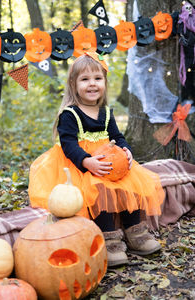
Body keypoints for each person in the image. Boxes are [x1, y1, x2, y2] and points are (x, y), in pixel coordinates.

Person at [29, 52, 165, 267]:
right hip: (81, 166)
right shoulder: (70, 114)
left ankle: (136, 233)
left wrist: (126, 150)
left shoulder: (106, 112)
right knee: (98, 190)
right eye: (85, 79)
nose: (92, 84)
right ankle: (109, 239)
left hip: (110, 164)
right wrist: (86, 161)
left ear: (104, 82)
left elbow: (118, 137)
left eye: (97, 78)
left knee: (130, 185)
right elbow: (68, 145)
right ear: (74, 84)